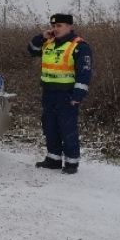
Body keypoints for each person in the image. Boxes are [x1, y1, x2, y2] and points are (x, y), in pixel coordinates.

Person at [28, 13, 92, 174]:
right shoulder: (48, 43)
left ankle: (71, 163)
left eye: (59, 26)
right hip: (48, 93)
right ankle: (53, 159)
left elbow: (84, 74)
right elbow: (32, 49)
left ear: (69, 26)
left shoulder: (80, 46)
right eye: (53, 26)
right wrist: (41, 36)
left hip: (67, 95)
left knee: (67, 128)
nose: (55, 29)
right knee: (50, 127)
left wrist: (77, 96)